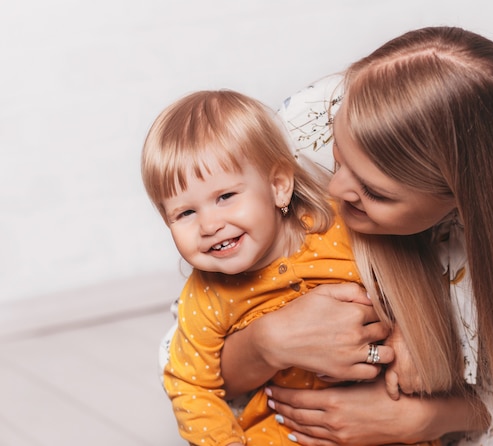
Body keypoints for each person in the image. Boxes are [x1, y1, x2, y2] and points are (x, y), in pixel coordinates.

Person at [218, 27, 493, 445]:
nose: (336, 192)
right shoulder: (303, 134)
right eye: (338, 159)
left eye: (375, 192)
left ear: (464, 198)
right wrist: (265, 343)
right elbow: (197, 357)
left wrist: (428, 418)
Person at [142, 90, 440, 446]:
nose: (209, 225)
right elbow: (190, 383)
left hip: (384, 421)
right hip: (285, 432)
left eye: (226, 197)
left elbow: (412, 279)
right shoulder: (206, 295)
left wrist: (406, 338)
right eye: (185, 213)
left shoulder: (341, 230)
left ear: (278, 187)